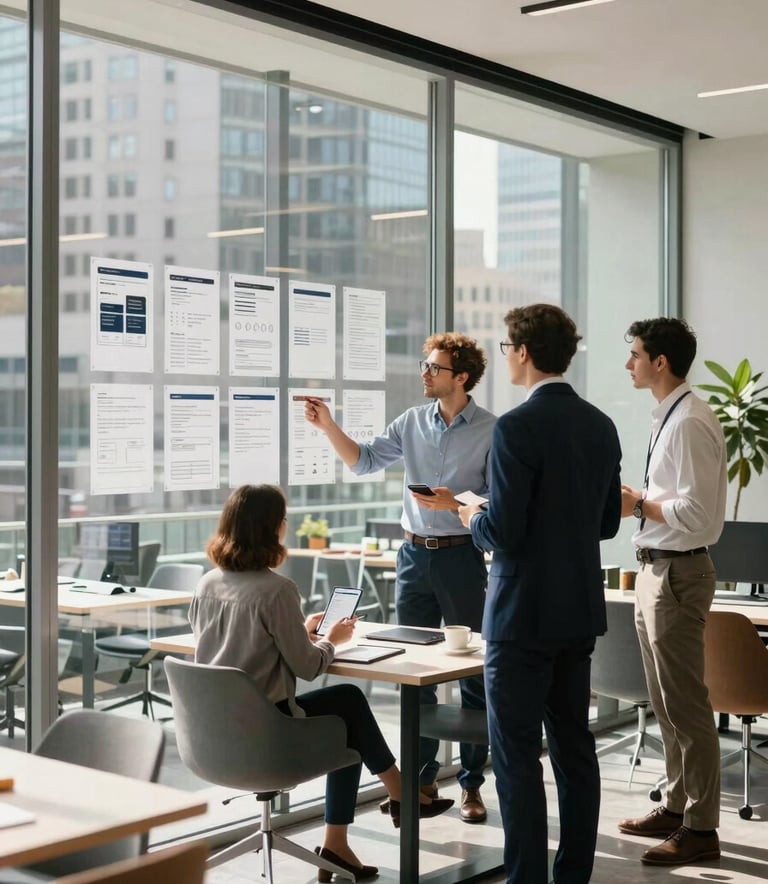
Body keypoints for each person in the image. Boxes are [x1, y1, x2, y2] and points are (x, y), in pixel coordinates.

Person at [189, 484, 453, 882]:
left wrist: (298, 629)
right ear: (273, 529)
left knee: (346, 717)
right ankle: (399, 792)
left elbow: (239, 648)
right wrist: (332, 639)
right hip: (267, 734)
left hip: (213, 736)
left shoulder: (207, 584)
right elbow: (309, 667)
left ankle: (343, 840)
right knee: (347, 704)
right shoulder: (278, 590)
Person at [458, 304, 622, 884]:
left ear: (523, 352)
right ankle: (571, 875)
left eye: (506, 348)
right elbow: (606, 524)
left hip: (520, 616)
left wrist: (472, 513)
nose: (506, 357)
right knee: (575, 751)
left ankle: (526, 878)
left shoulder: (515, 427)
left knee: (517, 756)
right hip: (577, 611)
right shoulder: (601, 424)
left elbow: (503, 531)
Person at [304, 332, 495, 823]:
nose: (425, 373)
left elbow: (500, 503)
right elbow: (364, 461)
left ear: (462, 377)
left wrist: (457, 502)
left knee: (474, 673)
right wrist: (329, 426)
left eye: (434, 367)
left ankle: (472, 783)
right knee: (415, 674)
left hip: (461, 556)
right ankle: (424, 780)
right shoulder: (411, 421)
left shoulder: (493, 431)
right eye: (424, 365)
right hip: (413, 559)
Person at [617, 317, 726, 866]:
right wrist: (643, 503)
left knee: (686, 705)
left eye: (635, 354)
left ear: (660, 362)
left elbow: (699, 515)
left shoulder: (686, 423)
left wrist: (635, 505)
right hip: (657, 569)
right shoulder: (670, 415)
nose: (629, 363)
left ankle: (702, 829)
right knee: (665, 702)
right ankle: (679, 804)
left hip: (678, 573)